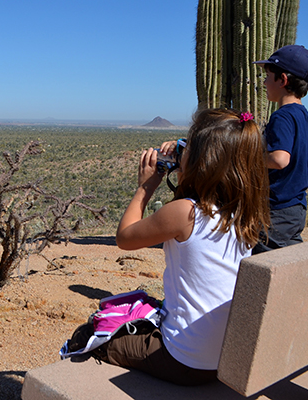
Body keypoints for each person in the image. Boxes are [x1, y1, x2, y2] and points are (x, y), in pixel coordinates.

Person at [99, 108, 270, 386]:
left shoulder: (184, 213)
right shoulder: (243, 214)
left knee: (96, 337)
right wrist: (189, 160)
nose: (181, 150)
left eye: (186, 146)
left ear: (203, 160)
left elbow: (125, 238)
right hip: (226, 358)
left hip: (185, 360)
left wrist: (146, 186)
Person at [252, 45, 308, 253]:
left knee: (257, 271)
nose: (264, 82)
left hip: (275, 210)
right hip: (296, 210)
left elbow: (279, 159)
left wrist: (247, 156)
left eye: (268, 76)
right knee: (288, 265)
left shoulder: (282, 116)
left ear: (282, 80)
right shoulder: (306, 117)